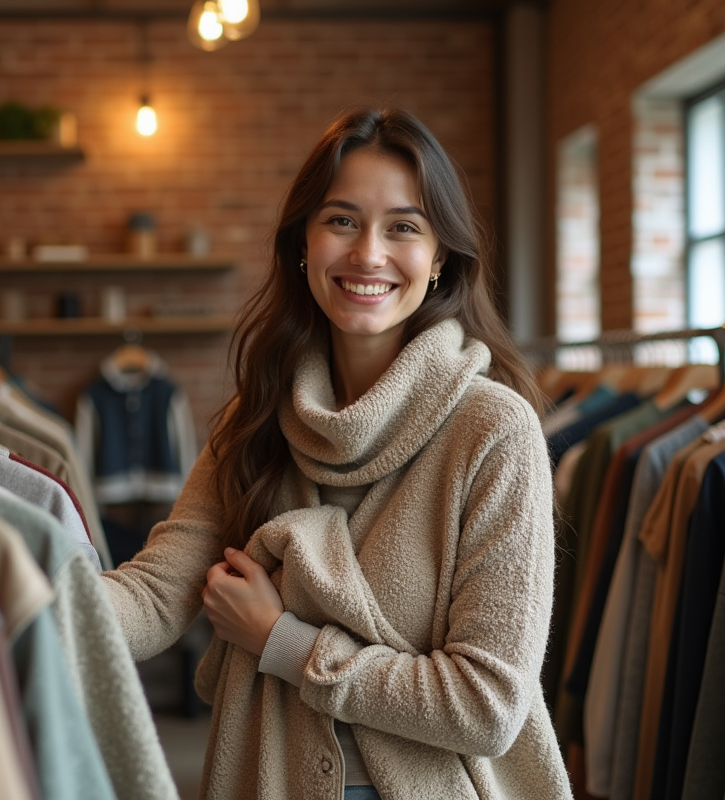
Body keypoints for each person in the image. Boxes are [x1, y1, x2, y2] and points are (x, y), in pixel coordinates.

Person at [102, 108, 571, 800]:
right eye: (342, 220)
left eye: (403, 227)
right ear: (303, 243)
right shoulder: (254, 419)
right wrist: (13, 591)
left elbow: (488, 705)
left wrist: (282, 642)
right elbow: (154, 592)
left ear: (440, 256)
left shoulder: (494, 430)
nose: (368, 254)